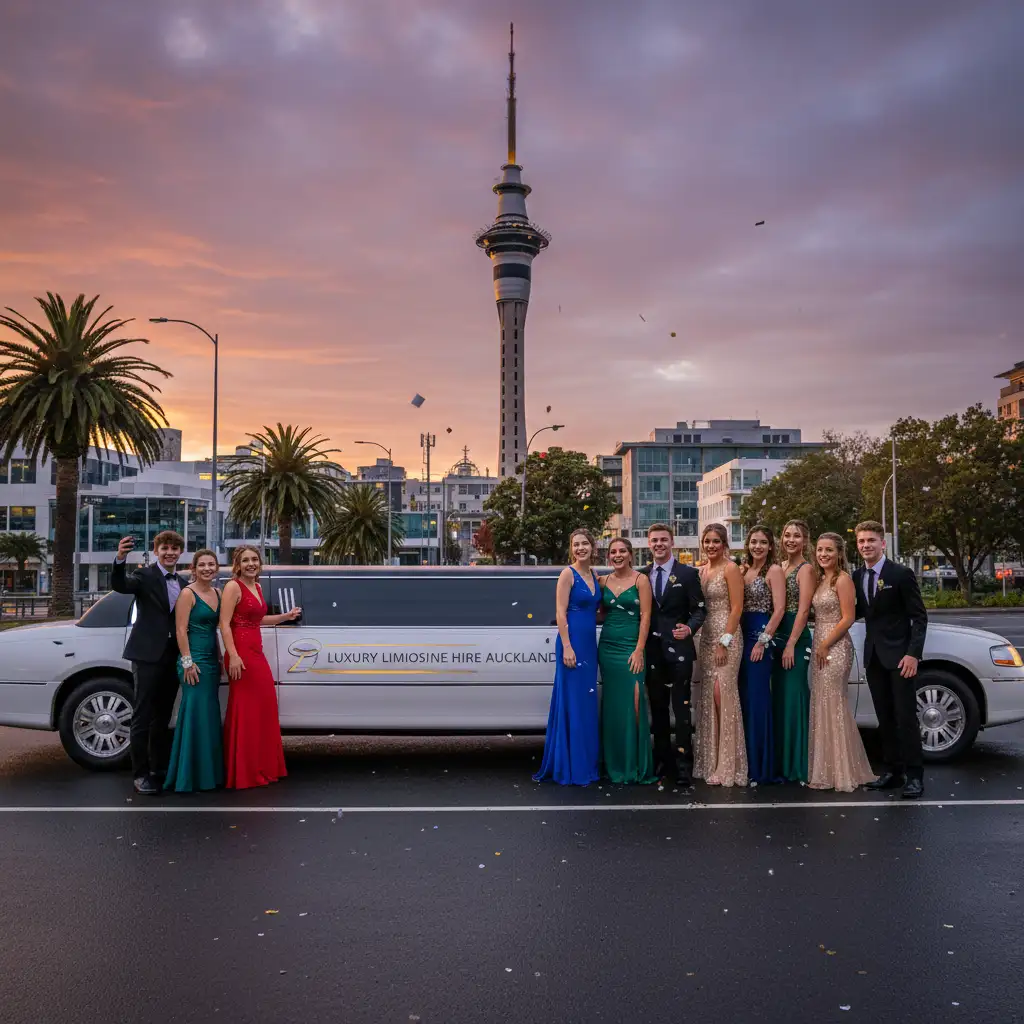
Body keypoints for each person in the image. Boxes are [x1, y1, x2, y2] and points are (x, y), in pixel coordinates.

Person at [853, 520, 928, 799]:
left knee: (906, 717)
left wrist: (912, 654)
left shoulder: (901, 574)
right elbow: (859, 611)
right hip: (873, 657)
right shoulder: (857, 576)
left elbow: (919, 618)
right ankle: (893, 772)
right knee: (884, 717)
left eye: (871, 540)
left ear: (882, 543)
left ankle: (915, 776)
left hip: (900, 658)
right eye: (861, 541)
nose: (866, 546)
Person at [112, 531, 188, 796]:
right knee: (142, 714)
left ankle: (158, 768)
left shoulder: (182, 581)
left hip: (172, 655)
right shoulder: (144, 575)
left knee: (163, 716)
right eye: (165, 548)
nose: (170, 552)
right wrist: (121, 558)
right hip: (146, 654)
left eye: (175, 549)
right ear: (157, 551)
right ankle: (140, 774)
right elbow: (121, 585)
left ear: (181, 553)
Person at [220, 545, 301, 790]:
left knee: (263, 708)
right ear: (238, 564)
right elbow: (224, 624)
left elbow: (257, 619)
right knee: (245, 711)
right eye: (245, 560)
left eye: (254, 559)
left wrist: (285, 616)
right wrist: (233, 656)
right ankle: (244, 772)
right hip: (241, 655)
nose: (251, 564)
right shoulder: (233, 586)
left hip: (256, 652)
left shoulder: (257, 586)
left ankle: (262, 766)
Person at [807, 533, 876, 792]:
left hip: (835, 647)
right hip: (819, 646)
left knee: (834, 703)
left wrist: (825, 644)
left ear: (839, 554)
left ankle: (842, 771)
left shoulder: (843, 580)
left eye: (829, 550)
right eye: (820, 550)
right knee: (822, 703)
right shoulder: (821, 580)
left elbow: (848, 618)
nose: (823, 554)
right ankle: (827, 768)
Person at [533, 528, 601, 786]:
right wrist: (567, 646)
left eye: (584, 544)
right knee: (572, 701)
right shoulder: (567, 574)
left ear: (593, 547)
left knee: (586, 702)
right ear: (571, 548)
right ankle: (570, 765)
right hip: (572, 644)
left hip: (589, 644)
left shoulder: (595, 575)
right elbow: (560, 614)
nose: (580, 548)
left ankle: (585, 761)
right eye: (576, 545)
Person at [641, 523, 706, 786]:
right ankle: (662, 762)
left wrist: (689, 629)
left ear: (672, 543)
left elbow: (700, 610)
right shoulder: (641, 575)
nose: (659, 544)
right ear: (649, 544)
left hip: (679, 651)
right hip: (653, 652)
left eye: (663, 540)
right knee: (657, 710)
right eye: (654, 540)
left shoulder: (688, 574)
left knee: (681, 710)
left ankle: (682, 766)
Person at [164, 549, 224, 793]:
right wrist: (187, 662)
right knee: (194, 715)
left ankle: (209, 775)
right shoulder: (187, 594)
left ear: (217, 568)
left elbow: (218, 628)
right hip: (193, 661)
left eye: (211, 564)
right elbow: (180, 630)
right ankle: (188, 776)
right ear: (194, 568)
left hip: (211, 660)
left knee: (209, 715)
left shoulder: (219, 593)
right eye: (202, 565)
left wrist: (220, 656)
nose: (207, 568)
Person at [598, 537, 656, 784]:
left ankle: (635, 763)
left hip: (631, 646)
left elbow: (646, 616)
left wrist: (639, 649)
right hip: (608, 646)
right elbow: (596, 610)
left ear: (631, 554)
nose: (618, 555)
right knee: (612, 705)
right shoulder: (602, 581)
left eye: (623, 551)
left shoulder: (641, 580)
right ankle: (614, 762)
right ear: (608, 556)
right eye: (613, 552)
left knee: (635, 701)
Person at [694, 523, 747, 787]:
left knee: (722, 694)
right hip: (705, 637)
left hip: (727, 636)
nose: (711, 546)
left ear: (724, 544)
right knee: (708, 697)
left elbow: (737, 608)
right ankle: (709, 760)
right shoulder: (702, 571)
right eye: (707, 541)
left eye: (716, 541)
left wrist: (724, 642)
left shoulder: (731, 569)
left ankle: (729, 764)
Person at [738, 526, 786, 784]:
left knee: (757, 699)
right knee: (743, 699)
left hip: (760, 636)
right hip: (740, 635)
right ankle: (744, 760)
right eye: (754, 542)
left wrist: (762, 641)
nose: (758, 546)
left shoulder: (774, 570)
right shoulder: (744, 571)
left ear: (770, 546)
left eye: (763, 542)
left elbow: (779, 610)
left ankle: (761, 765)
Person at [772, 519, 815, 783]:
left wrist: (790, 644)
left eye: (796, 536)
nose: (790, 540)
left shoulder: (806, 569)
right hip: (777, 635)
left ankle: (798, 763)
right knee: (779, 698)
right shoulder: (781, 567)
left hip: (795, 638)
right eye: (787, 535)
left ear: (805, 540)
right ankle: (781, 760)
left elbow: (803, 609)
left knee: (794, 697)